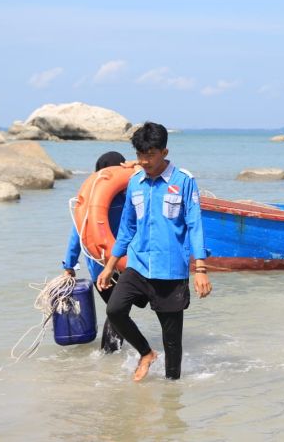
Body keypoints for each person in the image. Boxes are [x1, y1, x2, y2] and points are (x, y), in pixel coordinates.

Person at [96, 122, 212, 381]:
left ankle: (172, 400)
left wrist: (201, 269)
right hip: (138, 265)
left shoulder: (183, 181)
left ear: (164, 152)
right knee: (114, 310)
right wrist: (110, 265)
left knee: (172, 342)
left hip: (170, 270)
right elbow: (126, 228)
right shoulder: (135, 183)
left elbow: (195, 225)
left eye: (150, 155)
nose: (144, 161)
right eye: (140, 155)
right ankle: (146, 353)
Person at [63, 151, 126, 353]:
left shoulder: (90, 205)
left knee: (116, 310)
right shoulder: (128, 202)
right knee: (118, 311)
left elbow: (77, 235)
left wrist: (69, 266)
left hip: (99, 271)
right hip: (120, 268)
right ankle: (109, 353)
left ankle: (109, 356)